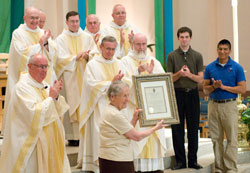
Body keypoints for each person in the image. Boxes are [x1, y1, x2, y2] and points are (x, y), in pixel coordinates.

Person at [0, 54, 71, 173]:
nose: (44, 71)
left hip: (50, 141)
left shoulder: (45, 85)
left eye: (46, 67)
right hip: (32, 143)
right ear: (29, 66)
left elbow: (58, 110)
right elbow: (34, 113)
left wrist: (57, 96)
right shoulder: (22, 88)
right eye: (40, 66)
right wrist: (51, 98)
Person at [77, 36, 131, 172]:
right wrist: (110, 83)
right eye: (107, 49)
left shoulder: (120, 63)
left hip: (118, 108)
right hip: (99, 107)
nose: (110, 52)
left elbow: (128, 82)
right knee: (99, 135)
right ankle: (99, 166)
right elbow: (90, 85)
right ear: (101, 47)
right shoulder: (92, 65)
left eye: (113, 49)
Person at [2, 6, 57, 134]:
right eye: (32, 18)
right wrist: (39, 44)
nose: (35, 21)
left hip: (44, 78)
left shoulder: (42, 33)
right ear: (24, 18)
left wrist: (46, 43)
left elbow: (53, 54)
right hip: (25, 80)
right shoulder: (18, 33)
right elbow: (22, 54)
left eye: (37, 18)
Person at [99, 80, 168, 173]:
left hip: (113, 158)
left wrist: (134, 119)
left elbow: (126, 132)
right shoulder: (114, 114)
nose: (127, 99)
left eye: (128, 95)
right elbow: (136, 136)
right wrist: (156, 127)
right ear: (112, 97)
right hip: (116, 161)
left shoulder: (110, 110)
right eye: (124, 96)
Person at [121, 33, 166, 172]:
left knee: (154, 141)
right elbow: (123, 85)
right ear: (132, 44)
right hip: (134, 110)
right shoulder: (125, 61)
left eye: (143, 44)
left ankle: (155, 169)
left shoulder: (154, 62)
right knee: (137, 144)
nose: (141, 48)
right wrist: (137, 72)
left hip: (152, 111)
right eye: (138, 44)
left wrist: (151, 74)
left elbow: (163, 84)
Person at [55, 11, 98, 146]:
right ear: (67, 22)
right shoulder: (60, 39)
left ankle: (84, 135)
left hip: (85, 76)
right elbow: (58, 59)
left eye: (77, 21)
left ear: (80, 22)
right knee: (70, 106)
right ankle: (73, 137)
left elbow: (95, 53)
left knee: (84, 103)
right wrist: (75, 57)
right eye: (72, 21)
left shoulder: (87, 37)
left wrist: (88, 56)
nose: (74, 24)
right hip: (69, 79)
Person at [203, 39, 246, 173]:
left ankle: (230, 167)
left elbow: (242, 89)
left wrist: (224, 87)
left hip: (229, 106)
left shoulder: (237, 67)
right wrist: (213, 86)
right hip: (213, 106)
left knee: (232, 138)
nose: (222, 51)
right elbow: (205, 89)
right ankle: (219, 168)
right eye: (220, 49)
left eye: (225, 49)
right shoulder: (210, 68)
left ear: (230, 51)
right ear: (217, 50)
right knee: (216, 139)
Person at [166, 26, 203, 170]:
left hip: (193, 94)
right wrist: (179, 74)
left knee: (193, 128)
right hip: (177, 94)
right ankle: (180, 161)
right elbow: (168, 79)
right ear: (178, 38)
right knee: (177, 129)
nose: (184, 39)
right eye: (181, 37)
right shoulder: (172, 56)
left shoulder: (197, 56)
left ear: (191, 38)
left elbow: (200, 79)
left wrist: (189, 75)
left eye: (187, 37)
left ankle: (193, 160)